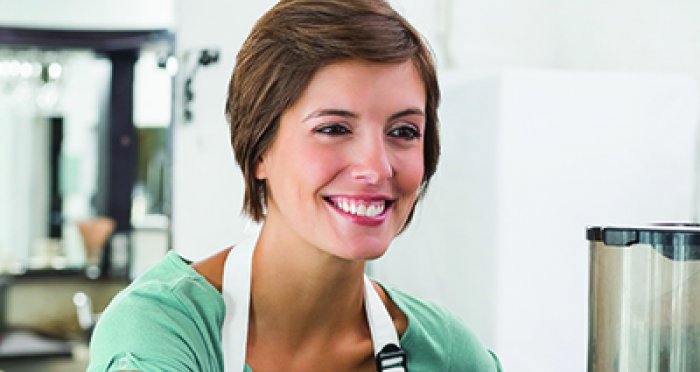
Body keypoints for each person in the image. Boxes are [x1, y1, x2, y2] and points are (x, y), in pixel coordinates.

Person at [88, 0, 502, 371]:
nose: (377, 168)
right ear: (260, 148)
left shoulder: (445, 353)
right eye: (334, 128)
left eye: (404, 131)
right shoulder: (163, 333)